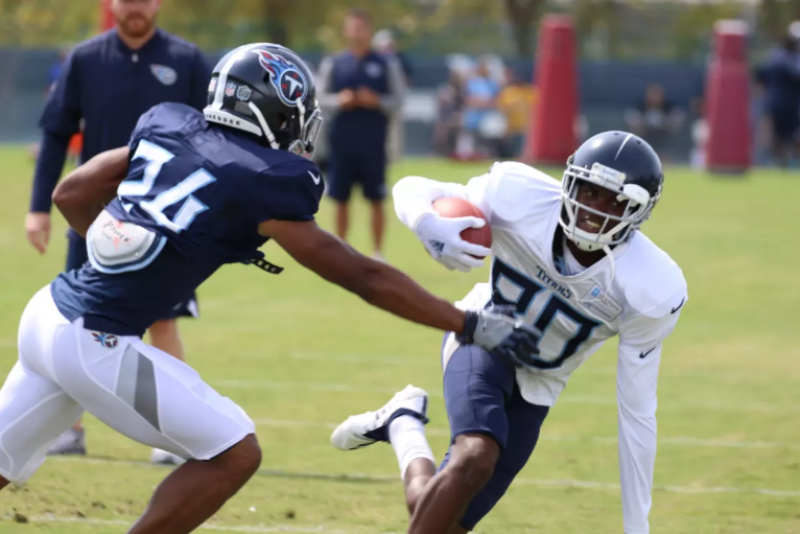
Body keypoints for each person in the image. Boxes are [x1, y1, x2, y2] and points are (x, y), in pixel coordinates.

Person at [0, 43, 541, 534]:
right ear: (275, 115)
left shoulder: (169, 125)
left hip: (46, 315)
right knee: (234, 452)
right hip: (97, 343)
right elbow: (364, 276)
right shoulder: (264, 178)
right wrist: (465, 322)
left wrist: (119, 242)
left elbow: (71, 193)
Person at [331, 131, 688, 534]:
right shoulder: (520, 196)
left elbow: (636, 410)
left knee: (438, 514)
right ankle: (404, 422)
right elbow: (411, 187)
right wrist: (427, 222)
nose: (594, 209)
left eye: (615, 201)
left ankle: (402, 422)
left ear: (639, 212)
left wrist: (637, 527)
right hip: (481, 337)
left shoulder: (651, 286)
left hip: (539, 385)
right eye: (588, 190)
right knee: (475, 457)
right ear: (570, 180)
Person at [24, 0, 211, 462]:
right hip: (91, 216)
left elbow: (215, 139)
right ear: (112, 4)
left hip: (165, 219)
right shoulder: (85, 59)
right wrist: (38, 209)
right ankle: (70, 431)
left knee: (164, 320)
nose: (136, 8)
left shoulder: (187, 61)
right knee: (78, 321)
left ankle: (175, 434)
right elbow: (55, 132)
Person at [317, 8, 406, 261]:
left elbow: (398, 100)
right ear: (346, 30)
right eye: (352, 27)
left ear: (369, 30)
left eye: (362, 27)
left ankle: (377, 253)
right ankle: (341, 252)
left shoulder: (386, 63)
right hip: (341, 143)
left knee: (376, 198)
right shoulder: (334, 63)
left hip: (373, 144)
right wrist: (340, 100)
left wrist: (376, 101)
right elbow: (320, 98)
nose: (357, 32)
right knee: (340, 198)